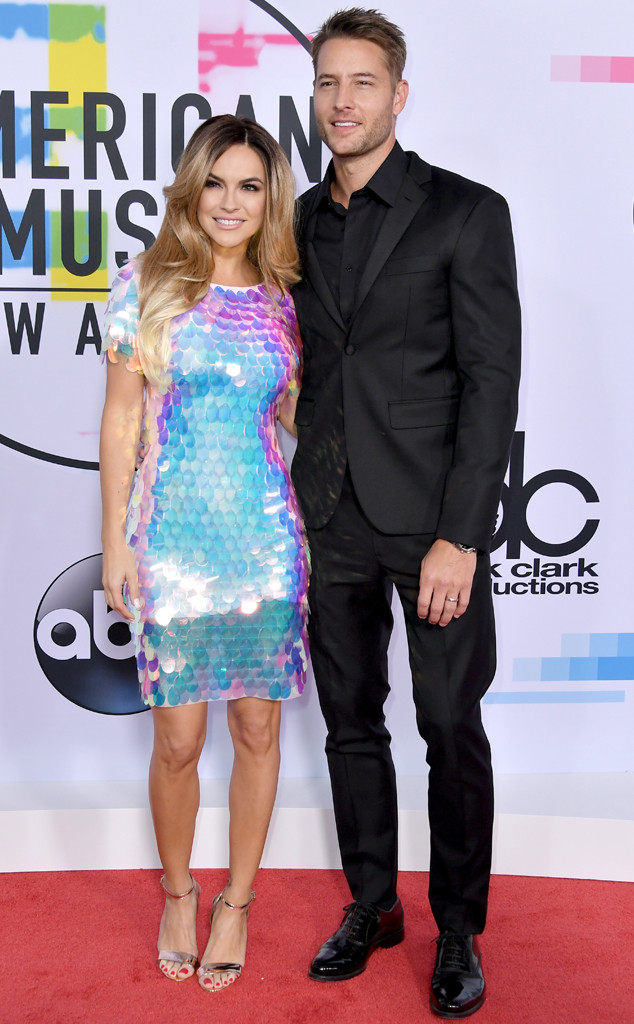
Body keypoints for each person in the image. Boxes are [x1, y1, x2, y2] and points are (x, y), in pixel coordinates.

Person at [291, 8, 521, 1018]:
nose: (342, 101)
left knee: (445, 723)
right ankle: (374, 903)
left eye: (362, 83)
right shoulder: (295, 218)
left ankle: (458, 928)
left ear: (399, 93)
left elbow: (491, 381)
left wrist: (460, 534)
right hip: (328, 514)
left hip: (431, 521)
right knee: (349, 726)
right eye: (327, 83)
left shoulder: (466, 211)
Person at [99, 114, 308, 993]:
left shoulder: (287, 297)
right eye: (215, 183)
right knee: (178, 742)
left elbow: (301, 415)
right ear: (192, 189)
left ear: (271, 199)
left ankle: (238, 901)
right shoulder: (144, 285)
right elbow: (121, 420)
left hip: (264, 541)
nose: (231, 202)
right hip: (173, 541)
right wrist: (114, 538)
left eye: (249, 186)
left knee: (258, 728)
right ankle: (179, 891)